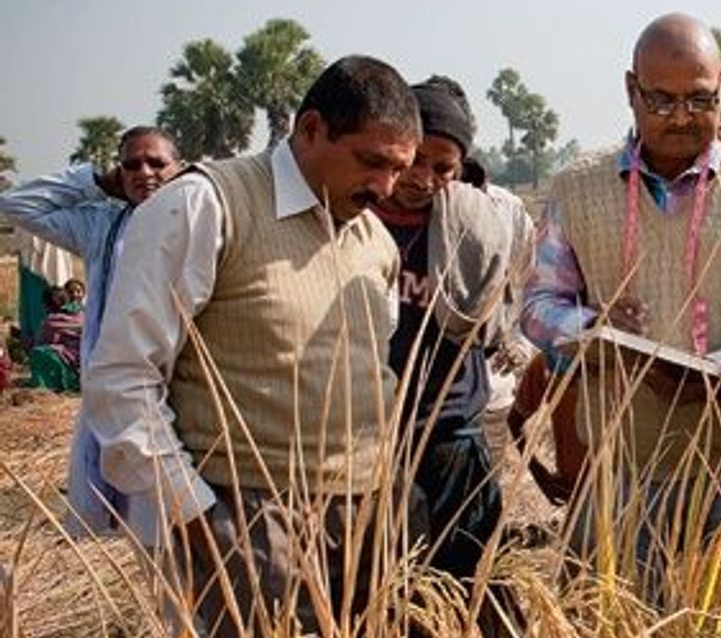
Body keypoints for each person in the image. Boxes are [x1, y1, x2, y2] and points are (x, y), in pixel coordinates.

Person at [83, 55, 421, 637]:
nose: (385, 188)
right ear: (310, 129)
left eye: (398, 170)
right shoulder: (205, 206)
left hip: (370, 512)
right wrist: (197, 517)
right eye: (372, 163)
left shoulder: (373, 239)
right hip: (250, 516)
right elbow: (122, 378)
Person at [520, 12, 721, 620]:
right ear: (631, 91)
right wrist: (597, 327)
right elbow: (540, 308)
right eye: (661, 100)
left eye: (699, 100)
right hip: (618, 464)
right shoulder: (578, 188)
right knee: (616, 617)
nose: (681, 117)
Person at [372, 75, 532, 599]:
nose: (423, 178)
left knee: (469, 592)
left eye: (443, 168)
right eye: (414, 159)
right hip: (368, 442)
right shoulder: (357, 217)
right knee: (383, 593)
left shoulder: (476, 227)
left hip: (449, 438)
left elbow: (498, 318)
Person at [0, 125, 182, 536]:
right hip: (109, 391)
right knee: (109, 525)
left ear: (180, 169)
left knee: (167, 531)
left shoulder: (198, 224)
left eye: (157, 163)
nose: (144, 172)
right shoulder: (103, 224)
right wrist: (96, 183)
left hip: (174, 396)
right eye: (131, 164)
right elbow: (16, 204)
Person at [28, 285, 83, 392]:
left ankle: (62, 382)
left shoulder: (51, 321)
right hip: (87, 355)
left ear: (46, 304)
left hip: (72, 358)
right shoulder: (80, 313)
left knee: (39, 353)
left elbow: (42, 342)